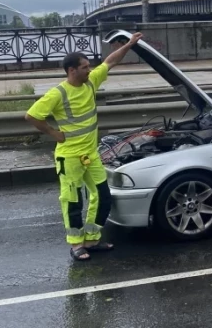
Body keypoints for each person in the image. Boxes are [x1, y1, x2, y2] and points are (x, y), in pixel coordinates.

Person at [25, 32, 143, 261]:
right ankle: (76, 244)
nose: (90, 70)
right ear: (72, 71)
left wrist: (129, 44)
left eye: (89, 66)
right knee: (73, 201)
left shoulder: (91, 82)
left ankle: (92, 238)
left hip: (90, 154)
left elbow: (111, 61)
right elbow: (31, 115)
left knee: (102, 196)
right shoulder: (57, 93)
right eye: (85, 67)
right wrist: (52, 133)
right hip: (69, 157)